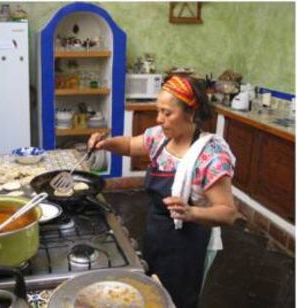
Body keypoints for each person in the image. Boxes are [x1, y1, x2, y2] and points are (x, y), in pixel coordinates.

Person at [88, 76, 239, 308]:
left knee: (177, 300)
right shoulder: (160, 137)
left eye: (167, 113)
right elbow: (129, 145)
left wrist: (192, 212)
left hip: (188, 242)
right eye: (158, 111)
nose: (160, 119)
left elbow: (228, 213)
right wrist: (106, 143)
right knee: (154, 290)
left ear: (191, 113)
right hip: (158, 231)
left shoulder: (211, 156)